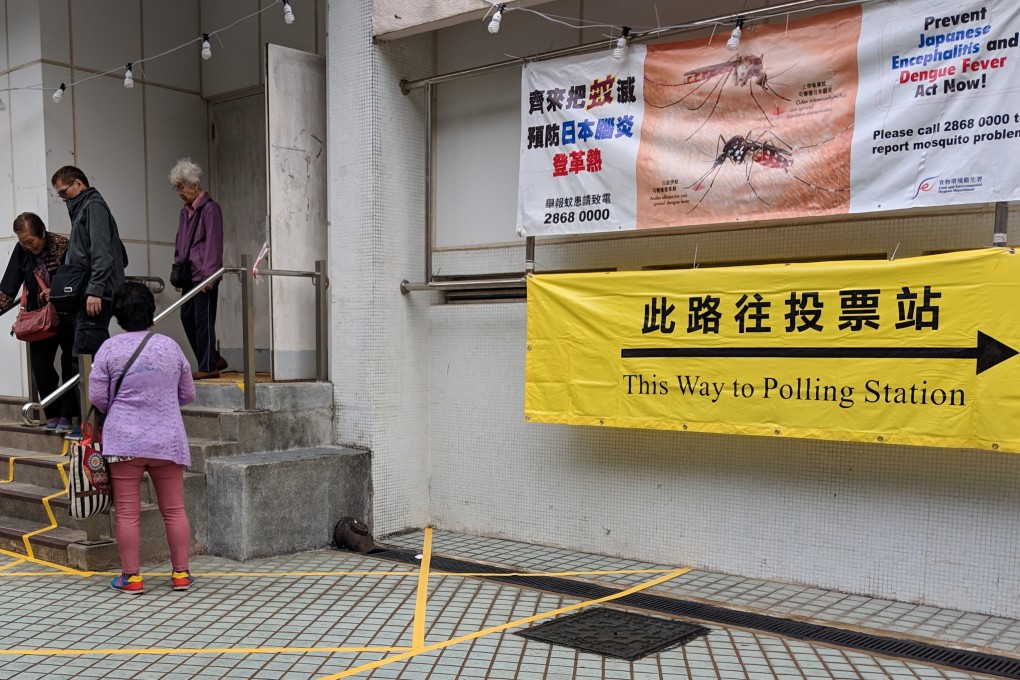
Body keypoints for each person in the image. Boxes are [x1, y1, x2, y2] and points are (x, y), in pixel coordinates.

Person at [89, 281, 196, 594]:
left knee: (126, 512)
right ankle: (180, 575)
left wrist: (123, 408)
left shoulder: (108, 349)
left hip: (124, 441)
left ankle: (132, 578)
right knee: (174, 510)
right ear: (151, 310)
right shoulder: (170, 347)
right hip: (167, 440)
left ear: (117, 315)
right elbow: (188, 393)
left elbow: (98, 397)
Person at [0, 213, 79, 432]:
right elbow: (9, 283)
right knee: (41, 365)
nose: (28, 246)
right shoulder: (22, 249)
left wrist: (55, 291)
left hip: (65, 313)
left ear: (42, 233)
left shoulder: (62, 245)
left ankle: (67, 414)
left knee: (68, 364)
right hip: (38, 316)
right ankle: (51, 412)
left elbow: (74, 277)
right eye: (23, 242)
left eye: (31, 241)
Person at [50, 166, 127, 358]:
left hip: (95, 295)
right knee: (87, 353)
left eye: (63, 192)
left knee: (87, 354)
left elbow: (103, 252)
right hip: (88, 292)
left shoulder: (93, 206)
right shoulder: (85, 208)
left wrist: (95, 289)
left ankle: (97, 390)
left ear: (78, 183)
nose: (63, 198)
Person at [170, 158, 226, 380]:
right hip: (189, 275)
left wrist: (209, 277)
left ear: (194, 184)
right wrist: (178, 273)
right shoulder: (185, 212)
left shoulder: (210, 209)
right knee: (187, 317)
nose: (179, 192)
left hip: (205, 275)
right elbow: (180, 242)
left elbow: (214, 243)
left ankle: (208, 366)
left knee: (203, 320)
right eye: (177, 188)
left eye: (181, 187)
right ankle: (212, 357)